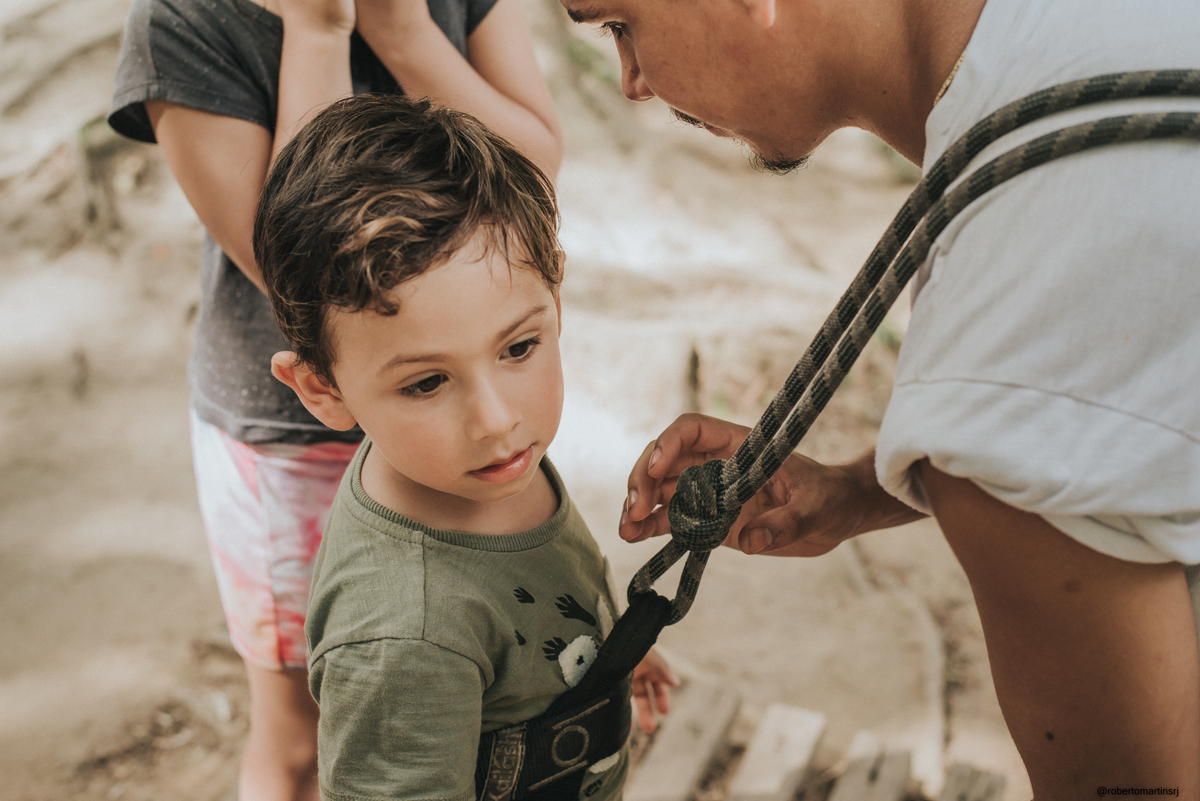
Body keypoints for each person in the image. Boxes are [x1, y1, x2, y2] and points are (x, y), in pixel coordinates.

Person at [558, 0, 1200, 796]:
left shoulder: (1010, 324)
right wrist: (861, 490)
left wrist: (970, 433)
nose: (631, 80)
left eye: (620, 23)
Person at [107, 0, 562, 797]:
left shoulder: (498, 415)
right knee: (303, 732)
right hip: (294, 444)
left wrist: (404, 30)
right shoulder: (184, 21)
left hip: (466, 390)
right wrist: (317, 34)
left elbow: (533, 174)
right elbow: (301, 275)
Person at [254, 92, 677, 801]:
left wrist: (604, 662)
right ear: (323, 388)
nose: (496, 417)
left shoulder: (478, 466)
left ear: (555, 300)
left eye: (519, 347)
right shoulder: (404, 635)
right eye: (426, 383)